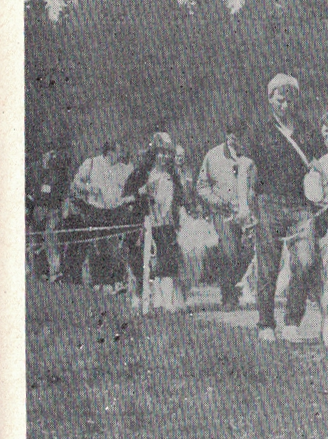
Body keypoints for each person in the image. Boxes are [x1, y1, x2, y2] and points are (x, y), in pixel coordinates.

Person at [244, 73, 325, 341]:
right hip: (268, 202)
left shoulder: (307, 131)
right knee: (268, 266)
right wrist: (244, 205)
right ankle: (266, 324)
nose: (285, 105)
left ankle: (292, 321)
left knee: (306, 260)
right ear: (270, 100)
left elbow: (324, 162)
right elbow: (246, 169)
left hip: (301, 205)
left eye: (290, 99)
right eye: (280, 99)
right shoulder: (259, 132)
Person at [196, 127, 257, 310]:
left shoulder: (251, 157)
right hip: (223, 213)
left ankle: (235, 287)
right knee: (229, 252)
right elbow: (202, 186)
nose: (235, 139)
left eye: (238, 135)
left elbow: (258, 184)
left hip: (247, 214)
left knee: (248, 253)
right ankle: (228, 297)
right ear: (226, 135)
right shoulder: (213, 156)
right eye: (231, 134)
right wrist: (217, 201)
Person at [124, 132, 185, 310]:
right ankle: (139, 295)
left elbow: (180, 198)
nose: (164, 157)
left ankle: (166, 300)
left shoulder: (172, 175)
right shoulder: (141, 173)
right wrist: (141, 192)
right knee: (140, 261)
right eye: (161, 152)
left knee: (167, 259)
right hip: (143, 224)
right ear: (154, 152)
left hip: (166, 224)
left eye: (168, 153)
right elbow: (126, 198)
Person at [68, 141, 129, 290]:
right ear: (109, 152)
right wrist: (89, 189)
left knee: (114, 246)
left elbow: (128, 186)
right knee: (98, 245)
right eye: (118, 152)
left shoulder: (122, 169)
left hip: (115, 211)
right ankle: (98, 282)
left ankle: (115, 281)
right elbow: (76, 182)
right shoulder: (92, 163)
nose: (120, 156)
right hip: (96, 210)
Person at [26, 146, 71, 281]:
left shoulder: (60, 171)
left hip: (53, 210)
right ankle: (37, 272)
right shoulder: (33, 170)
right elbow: (26, 187)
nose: (52, 156)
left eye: (54, 153)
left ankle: (54, 272)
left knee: (52, 239)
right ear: (43, 154)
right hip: (37, 209)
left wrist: (65, 209)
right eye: (50, 153)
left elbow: (65, 191)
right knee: (35, 241)